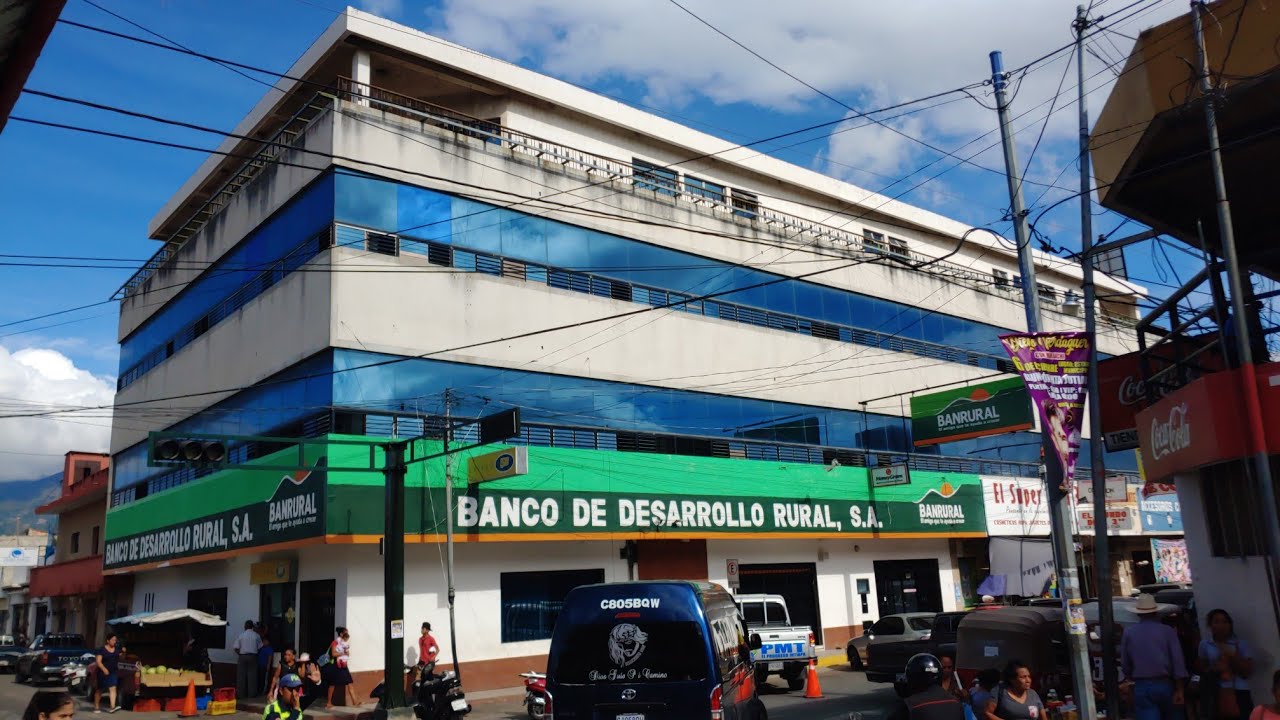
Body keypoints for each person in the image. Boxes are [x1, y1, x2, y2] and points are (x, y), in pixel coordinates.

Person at [1121, 594, 1187, 720]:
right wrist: (1180, 689)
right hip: (1165, 684)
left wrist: (1129, 677)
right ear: (1156, 612)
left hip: (1142, 685)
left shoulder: (1129, 632)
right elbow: (1178, 661)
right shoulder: (1167, 631)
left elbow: (1125, 662)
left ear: (1138, 613)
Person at [1199, 609, 1255, 720]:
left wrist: (1232, 655)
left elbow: (1247, 672)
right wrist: (1215, 669)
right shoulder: (1205, 644)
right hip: (1216, 692)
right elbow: (1202, 669)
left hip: (1239, 691)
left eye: (1225, 621)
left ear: (1230, 624)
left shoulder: (1240, 644)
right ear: (1210, 625)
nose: (1221, 625)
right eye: (1217, 621)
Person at [887, 653, 967, 720]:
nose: (947, 670)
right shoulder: (956, 702)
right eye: (944, 668)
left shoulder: (910, 706)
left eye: (949, 667)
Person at [324, 626, 357, 708]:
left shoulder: (344, 643)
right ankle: (328, 702)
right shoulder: (335, 642)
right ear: (341, 634)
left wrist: (346, 653)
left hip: (343, 665)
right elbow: (333, 654)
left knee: (350, 682)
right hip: (336, 665)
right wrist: (343, 654)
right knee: (332, 684)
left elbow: (347, 653)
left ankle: (355, 701)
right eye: (345, 632)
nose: (347, 634)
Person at [233, 619, 264, 700]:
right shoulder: (256, 635)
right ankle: (252, 694)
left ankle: (240, 695)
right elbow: (261, 647)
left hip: (242, 656)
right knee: (252, 676)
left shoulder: (241, 635)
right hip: (253, 656)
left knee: (241, 676)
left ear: (245, 626)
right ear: (252, 627)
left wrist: (240, 654)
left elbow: (235, 647)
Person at [94, 631, 123, 713]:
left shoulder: (117, 650)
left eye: (115, 640)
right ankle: (96, 706)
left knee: (113, 688)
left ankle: (112, 707)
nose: (114, 641)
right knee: (100, 690)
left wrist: (123, 651)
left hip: (113, 672)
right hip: (102, 672)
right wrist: (104, 669)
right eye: (113, 640)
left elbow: (121, 657)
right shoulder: (101, 650)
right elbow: (98, 661)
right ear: (108, 640)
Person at [257, 624, 275, 697]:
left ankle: (263, 691)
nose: (264, 642)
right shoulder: (261, 648)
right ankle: (259, 690)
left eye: (265, 641)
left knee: (264, 679)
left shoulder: (269, 649)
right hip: (259, 665)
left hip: (265, 666)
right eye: (263, 641)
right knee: (259, 678)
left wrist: (268, 666)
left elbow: (270, 658)